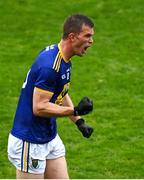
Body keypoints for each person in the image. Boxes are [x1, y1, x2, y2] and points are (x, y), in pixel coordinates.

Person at [7, 14, 94, 179]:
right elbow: (40, 107)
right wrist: (74, 109)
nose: (91, 41)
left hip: (48, 136)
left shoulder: (63, 58)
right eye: (87, 36)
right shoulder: (50, 66)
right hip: (30, 140)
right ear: (72, 37)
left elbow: (60, 92)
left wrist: (79, 121)